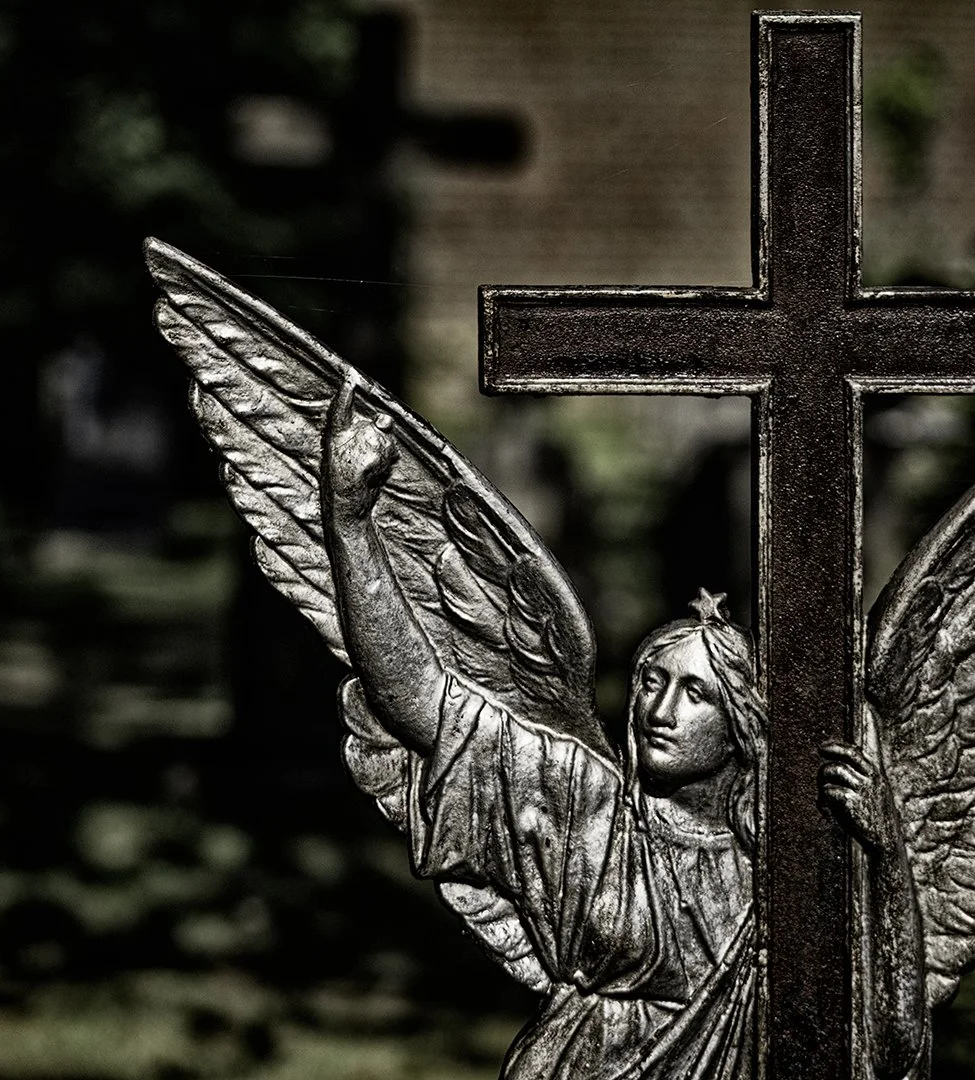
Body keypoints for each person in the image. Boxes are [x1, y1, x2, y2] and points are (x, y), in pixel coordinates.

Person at [321, 388, 925, 1080]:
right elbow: (423, 696)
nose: (657, 709)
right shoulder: (582, 805)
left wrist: (888, 855)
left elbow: (893, 1048)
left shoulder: (793, 860)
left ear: (740, 726)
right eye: (649, 681)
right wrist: (351, 523)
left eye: (695, 692)